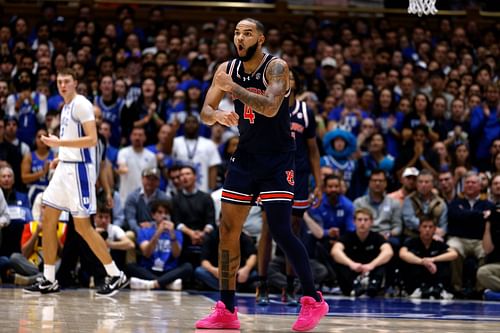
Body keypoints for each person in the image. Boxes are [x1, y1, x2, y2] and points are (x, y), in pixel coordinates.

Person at [195, 18, 328, 332]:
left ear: (261, 38)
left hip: (278, 160)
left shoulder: (276, 67)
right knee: (227, 230)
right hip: (246, 157)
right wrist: (217, 115)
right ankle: (227, 309)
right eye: (237, 33)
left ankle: (313, 300)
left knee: (281, 231)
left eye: (247, 33)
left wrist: (235, 91)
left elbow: (270, 107)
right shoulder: (225, 70)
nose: (240, 38)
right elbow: (204, 111)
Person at [24, 68, 128, 296]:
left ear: (75, 82)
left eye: (67, 81)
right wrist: (60, 156)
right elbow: (73, 140)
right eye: (59, 81)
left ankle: (115, 274)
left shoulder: (81, 104)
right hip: (65, 169)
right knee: (48, 217)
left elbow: (91, 139)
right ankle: (49, 278)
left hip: (79, 172)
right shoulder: (66, 107)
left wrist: (59, 143)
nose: (62, 85)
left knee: (83, 227)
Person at [256, 68, 322, 306]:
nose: (287, 80)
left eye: (291, 77)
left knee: (293, 232)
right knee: (267, 228)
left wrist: (319, 183)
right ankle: (262, 284)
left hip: (299, 177)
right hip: (273, 175)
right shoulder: (268, 106)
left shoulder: (305, 113)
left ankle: (290, 287)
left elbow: (314, 152)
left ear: (295, 84)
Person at [128, 200, 192, 291]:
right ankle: (167, 283)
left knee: (188, 267)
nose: (164, 216)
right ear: (153, 215)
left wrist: (172, 235)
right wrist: (158, 233)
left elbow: (176, 254)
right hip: (149, 269)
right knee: (130, 266)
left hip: (168, 270)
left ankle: (152, 284)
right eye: (160, 212)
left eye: (166, 213)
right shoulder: (144, 231)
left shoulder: (177, 233)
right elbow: (146, 253)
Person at [331, 208, 394, 297]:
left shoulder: (377, 237)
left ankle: (374, 285)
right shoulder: (348, 237)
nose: (362, 223)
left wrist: (372, 265)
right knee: (339, 262)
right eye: (359, 220)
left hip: (371, 270)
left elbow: (388, 252)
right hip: (353, 271)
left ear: (371, 222)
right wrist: (351, 264)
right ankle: (354, 285)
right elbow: (335, 251)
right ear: (354, 222)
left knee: (385, 262)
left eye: (366, 220)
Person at [399, 215, 458, 299]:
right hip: (416, 277)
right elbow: (402, 253)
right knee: (409, 262)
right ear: (419, 228)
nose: (427, 230)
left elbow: (454, 254)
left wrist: (433, 259)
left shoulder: (438, 243)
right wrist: (422, 262)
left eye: (430, 227)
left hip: (434, 275)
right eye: (424, 227)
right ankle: (415, 289)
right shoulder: (411, 242)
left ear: (434, 229)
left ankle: (440, 288)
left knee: (444, 261)